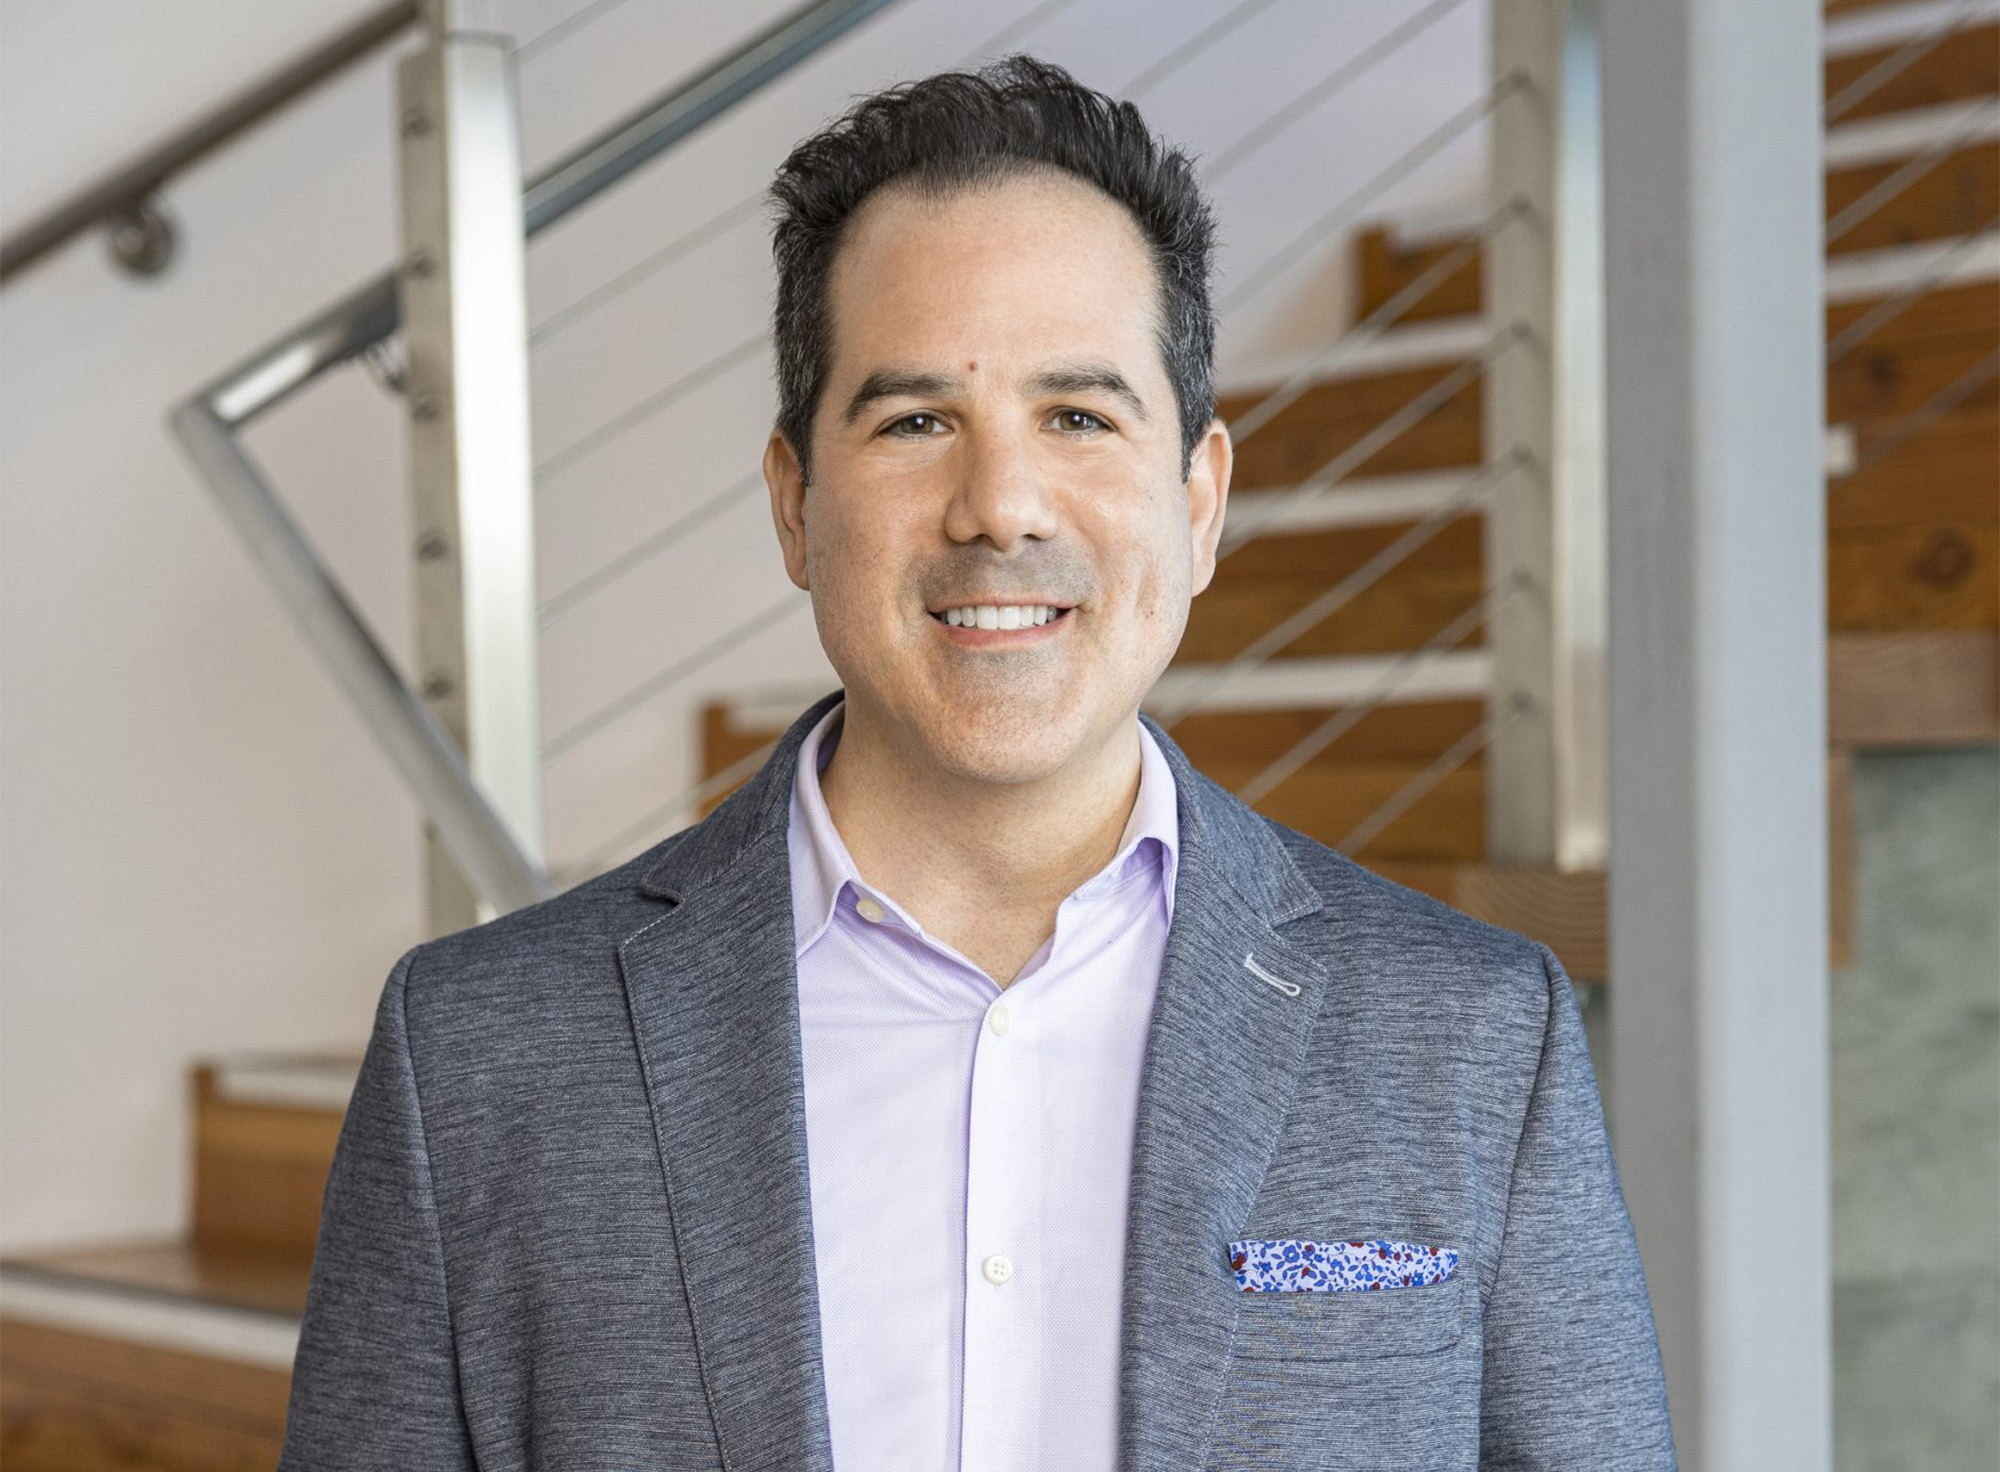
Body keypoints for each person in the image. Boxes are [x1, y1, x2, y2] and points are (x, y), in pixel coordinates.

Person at [278, 55, 1674, 1471]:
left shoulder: (1476, 1035)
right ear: (793, 502)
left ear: (1199, 501)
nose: (999, 507)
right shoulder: (477, 1059)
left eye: (1079, 416)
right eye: (915, 420)